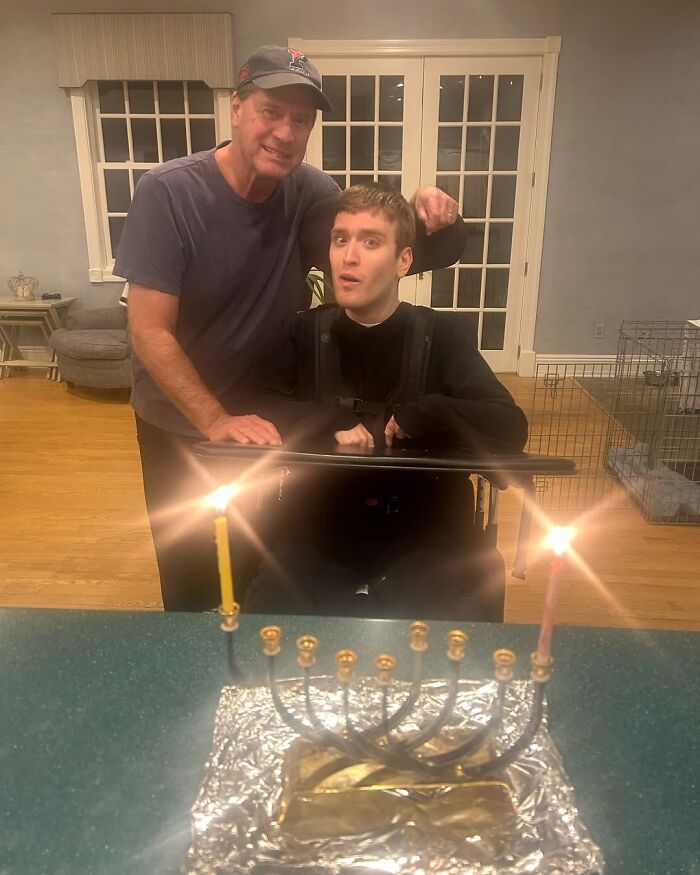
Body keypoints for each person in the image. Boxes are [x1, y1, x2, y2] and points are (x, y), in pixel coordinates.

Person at [113, 45, 461, 610]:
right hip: (182, 423)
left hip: (266, 415)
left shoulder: (309, 192)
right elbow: (149, 331)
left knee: (257, 573)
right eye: (271, 111)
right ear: (236, 108)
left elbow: (382, 245)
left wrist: (435, 217)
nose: (284, 132)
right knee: (195, 581)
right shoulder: (169, 193)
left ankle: (257, 685)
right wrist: (215, 419)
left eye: (300, 119)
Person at [244, 183, 529, 621]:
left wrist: (427, 413)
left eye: (370, 242)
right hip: (318, 522)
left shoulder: (441, 337)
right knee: (273, 610)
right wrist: (328, 419)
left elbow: (509, 425)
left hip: (425, 529)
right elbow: (254, 403)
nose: (348, 256)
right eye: (341, 239)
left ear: (404, 261)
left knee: (430, 619)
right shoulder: (302, 335)